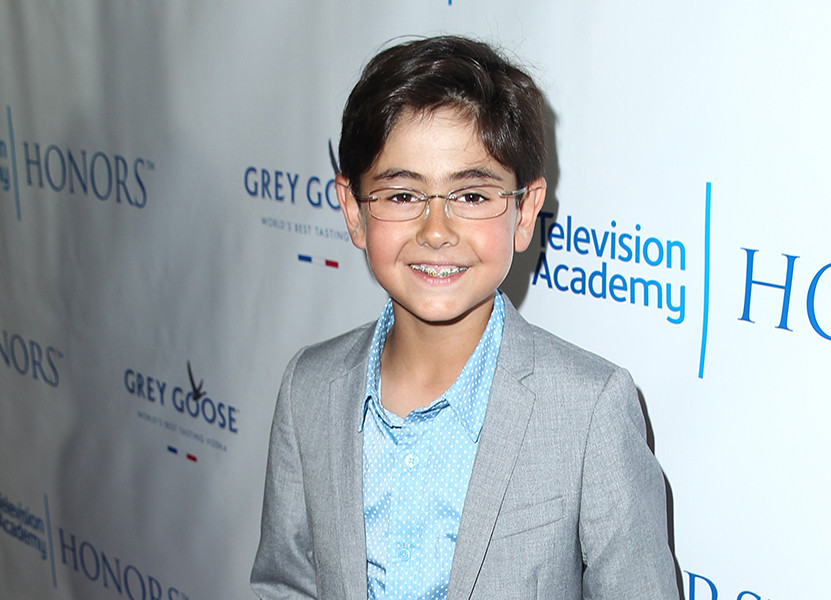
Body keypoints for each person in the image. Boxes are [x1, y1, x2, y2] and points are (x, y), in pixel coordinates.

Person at [251, 35, 679, 600]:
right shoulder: (309, 387)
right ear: (354, 211)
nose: (436, 230)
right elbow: (286, 584)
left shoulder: (590, 409)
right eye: (402, 196)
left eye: (472, 197)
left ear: (524, 212)